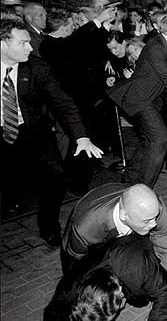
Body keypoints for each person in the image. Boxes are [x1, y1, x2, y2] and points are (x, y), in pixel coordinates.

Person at [0, 19, 103, 248]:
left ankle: (49, 227)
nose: (30, 48)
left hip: (32, 130)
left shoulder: (37, 67)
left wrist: (81, 137)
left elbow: (63, 103)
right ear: (3, 44)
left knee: (55, 175)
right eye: (23, 43)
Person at [107, 13, 167, 187]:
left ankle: (130, 177)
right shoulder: (157, 47)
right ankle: (144, 189)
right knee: (160, 139)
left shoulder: (160, 44)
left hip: (146, 100)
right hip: (140, 100)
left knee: (148, 140)